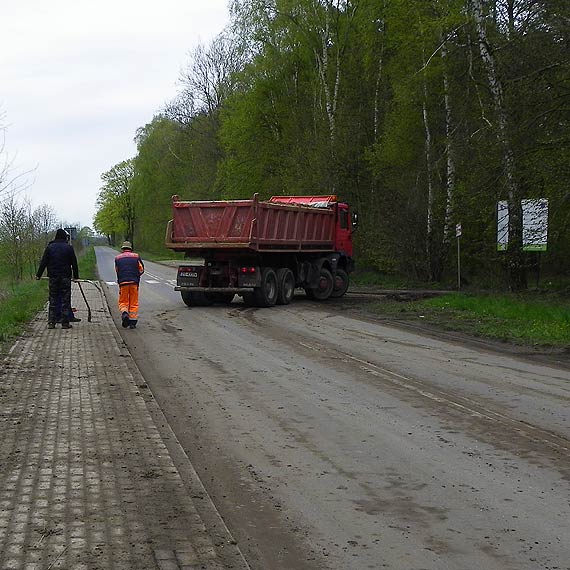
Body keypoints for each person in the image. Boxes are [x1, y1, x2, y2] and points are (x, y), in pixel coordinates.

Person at [36, 228, 79, 329]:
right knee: (65, 299)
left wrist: (38, 274)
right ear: (64, 237)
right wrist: (76, 277)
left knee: (53, 299)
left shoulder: (50, 247)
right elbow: (74, 263)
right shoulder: (69, 248)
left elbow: (44, 262)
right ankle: (65, 323)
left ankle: (51, 322)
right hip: (65, 277)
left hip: (53, 277)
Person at [114, 241, 144, 329]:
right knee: (133, 302)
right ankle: (133, 322)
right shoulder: (136, 256)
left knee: (123, 301)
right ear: (131, 248)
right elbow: (141, 269)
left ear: (122, 249)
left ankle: (124, 313)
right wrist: (136, 276)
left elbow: (117, 270)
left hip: (123, 283)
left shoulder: (117, 258)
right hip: (134, 283)